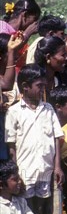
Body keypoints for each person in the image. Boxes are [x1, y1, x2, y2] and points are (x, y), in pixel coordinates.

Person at [5, 64, 64, 214]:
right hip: (25, 171)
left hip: (46, 170)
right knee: (26, 211)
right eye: (39, 86)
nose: (42, 89)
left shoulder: (48, 109)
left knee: (42, 208)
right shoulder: (14, 111)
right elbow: (12, 146)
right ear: (25, 87)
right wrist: (15, 173)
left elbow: (56, 137)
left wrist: (58, 166)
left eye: (43, 86)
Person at [0, 32, 25, 160]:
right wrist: (11, 51)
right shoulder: (6, 79)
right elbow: (6, 84)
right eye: (10, 54)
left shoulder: (15, 74)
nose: (15, 57)